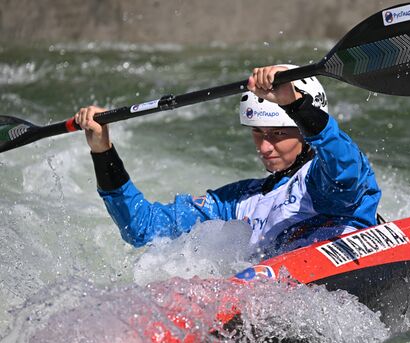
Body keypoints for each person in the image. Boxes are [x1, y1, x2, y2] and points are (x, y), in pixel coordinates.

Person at [75, 65, 381, 259]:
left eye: (277, 134)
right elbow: (142, 228)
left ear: (303, 131)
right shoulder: (235, 202)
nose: (264, 146)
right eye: (258, 133)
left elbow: (344, 168)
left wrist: (295, 104)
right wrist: (103, 151)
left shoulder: (322, 180)